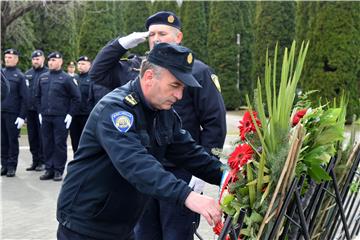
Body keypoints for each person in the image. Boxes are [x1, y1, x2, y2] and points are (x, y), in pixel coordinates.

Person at [56, 43, 224, 240]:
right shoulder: (116, 110)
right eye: (175, 85)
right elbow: (136, 164)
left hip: (122, 223)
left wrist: (227, 176)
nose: (179, 95)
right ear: (149, 77)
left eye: (183, 88)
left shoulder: (163, 113)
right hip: (86, 225)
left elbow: (190, 153)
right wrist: (187, 196)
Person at [90, 11, 227, 239]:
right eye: (151, 34)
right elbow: (98, 72)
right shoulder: (136, 68)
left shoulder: (198, 72)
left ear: (178, 37)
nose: (156, 38)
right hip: (142, 172)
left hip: (180, 172)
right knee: (145, 233)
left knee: (176, 235)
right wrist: (123, 43)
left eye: (162, 33)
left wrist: (206, 172)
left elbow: (214, 124)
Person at [36, 51, 81, 181]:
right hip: (46, 116)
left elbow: (76, 97)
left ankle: (58, 170)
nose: (51, 62)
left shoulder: (67, 78)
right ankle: (49, 169)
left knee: (59, 144)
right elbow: (37, 97)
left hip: (60, 117)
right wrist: (40, 112)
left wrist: (70, 114)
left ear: (60, 62)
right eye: (49, 60)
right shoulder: (43, 77)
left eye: (54, 60)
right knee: (47, 143)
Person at [1, 48, 28, 177]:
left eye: (10, 57)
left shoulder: (20, 76)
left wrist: (22, 116)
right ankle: (4, 164)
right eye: (6, 57)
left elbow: (25, 98)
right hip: (1, 112)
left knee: (12, 141)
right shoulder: (1, 73)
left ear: (16, 59)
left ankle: (12, 166)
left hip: (13, 114)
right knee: (2, 141)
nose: (7, 59)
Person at [24, 50, 48, 171]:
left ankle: (43, 161)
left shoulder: (48, 73)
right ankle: (35, 161)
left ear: (43, 59)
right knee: (32, 137)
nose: (35, 61)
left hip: (42, 111)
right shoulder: (28, 74)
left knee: (42, 137)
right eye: (34, 59)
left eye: (38, 59)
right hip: (30, 111)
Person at [69, 56, 92, 153]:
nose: (80, 66)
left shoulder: (92, 79)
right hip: (74, 115)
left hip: (86, 115)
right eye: (79, 64)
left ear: (89, 65)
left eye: (83, 64)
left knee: (86, 142)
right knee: (75, 141)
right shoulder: (73, 79)